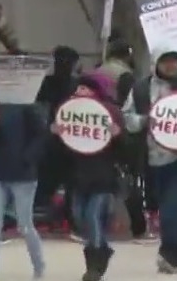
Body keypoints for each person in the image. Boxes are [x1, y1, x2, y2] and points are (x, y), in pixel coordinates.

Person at [122, 47, 177, 273]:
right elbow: (126, 118)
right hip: (152, 160)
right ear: (156, 63)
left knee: (174, 207)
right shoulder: (142, 88)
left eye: (175, 60)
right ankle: (171, 250)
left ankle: (172, 254)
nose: (171, 65)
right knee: (165, 209)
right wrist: (145, 121)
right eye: (166, 61)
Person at [51, 71, 124, 281]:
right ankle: (102, 249)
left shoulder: (111, 112)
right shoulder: (67, 111)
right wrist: (55, 135)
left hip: (102, 176)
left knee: (92, 215)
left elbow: (126, 149)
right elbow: (58, 153)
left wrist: (118, 136)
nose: (79, 91)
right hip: (77, 176)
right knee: (79, 217)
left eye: (84, 88)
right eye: (78, 87)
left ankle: (94, 264)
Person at [0, 100, 48, 281]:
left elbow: (41, 134)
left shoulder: (27, 104)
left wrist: (28, 158)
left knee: (25, 225)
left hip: (23, 174)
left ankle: (39, 265)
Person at [34, 46, 80, 229]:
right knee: (54, 179)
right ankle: (53, 214)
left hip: (63, 138)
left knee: (61, 180)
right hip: (57, 138)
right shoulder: (50, 84)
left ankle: (56, 214)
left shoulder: (68, 84)